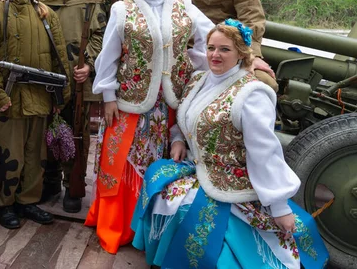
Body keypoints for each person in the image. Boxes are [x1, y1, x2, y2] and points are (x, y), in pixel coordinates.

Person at [131, 20, 329, 269]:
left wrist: (279, 206)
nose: (215, 55)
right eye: (211, 47)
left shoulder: (252, 94)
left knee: (188, 211)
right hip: (199, 167)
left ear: (241, 54)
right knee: (156, 177)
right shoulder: (198, 80)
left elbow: (264, 152)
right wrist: (179, 139)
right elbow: (187, 117)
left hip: (232, 180)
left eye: (224, 49)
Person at [85, 0, 214, 254]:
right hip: (129, 101)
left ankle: (153, 230)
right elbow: (109, 55)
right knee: (122, 162)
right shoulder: (123, 9)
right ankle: (120, 225)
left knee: (161, 161)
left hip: (170, 104)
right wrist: (107, 94)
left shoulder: (185, 7)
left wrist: (196, 66)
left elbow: (211, 38)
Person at [0, 0, 71, 230]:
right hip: (9, 99)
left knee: (35, 155)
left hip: (40, 97)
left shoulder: (45, 14)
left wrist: (59, 96)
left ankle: (28, 201)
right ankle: (5, 203)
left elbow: (59, 57)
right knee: (8, 154)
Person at [34, 0, 107, 213]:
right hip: (43, 73)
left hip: (76, 75)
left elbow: (101, 32)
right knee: (44, 131)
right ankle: (49, 180)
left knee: (76, 130)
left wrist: (88, 63)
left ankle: (72, 185)